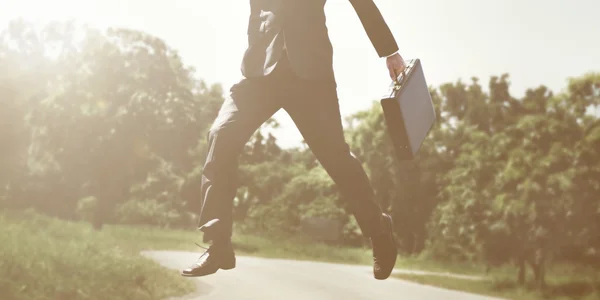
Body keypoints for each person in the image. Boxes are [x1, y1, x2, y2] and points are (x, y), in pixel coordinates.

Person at [181, 0, 406, 280]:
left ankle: (379, 231)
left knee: (336, 157)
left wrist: (389, 51)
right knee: (221, 135)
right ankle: (219, 244)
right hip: (261, 70)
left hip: (310, 76)